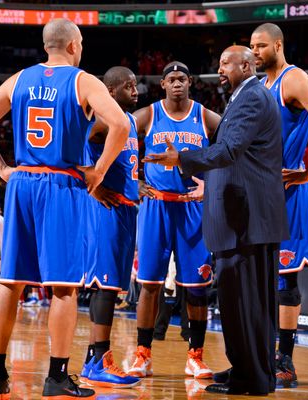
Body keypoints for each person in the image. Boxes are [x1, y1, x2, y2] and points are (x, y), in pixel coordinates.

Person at [0, 18, 130, 399]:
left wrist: (2, 168)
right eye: (82, 42)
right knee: (64, 288)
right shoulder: (82, 80)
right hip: (61, 183)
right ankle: (56, 376)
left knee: (10, 282)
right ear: (73, 45)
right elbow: (120, 124)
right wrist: (99, 171)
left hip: (22, 182)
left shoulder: (19, 79)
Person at [144, 46, 288, 395]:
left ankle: (249, 378)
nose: (219, 69)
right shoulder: (248, 96)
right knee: (252, 303)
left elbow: (228, 151)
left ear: (246, 66)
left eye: (226, 63)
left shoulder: (251, 97)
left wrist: (182, 158)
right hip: (250, 217)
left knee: (244, 302)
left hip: (245, 219)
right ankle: (254, 369)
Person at [250, 23, 308, 388]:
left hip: (288, 193)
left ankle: (285, 360)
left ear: (278, 44)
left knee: (286, 280)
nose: (255, 52)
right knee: (260, 280)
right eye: (251, 47)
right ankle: (260, 354)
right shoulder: (261, 86)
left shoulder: (294, 79)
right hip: (259, 193)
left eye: (260, 46)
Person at [127, 61, 220, 380]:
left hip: (192, 209)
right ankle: (143, 354)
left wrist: (212, 184)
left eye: (182, 78)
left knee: (197, 288)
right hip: (156, 207)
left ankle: (195, 356)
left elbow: (232, 148)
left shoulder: (205, 116)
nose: (177, 83)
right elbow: (114, 138)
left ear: (190, 82)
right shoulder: (148, 115)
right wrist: (132, 180)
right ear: (162, 84)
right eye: (171, 79)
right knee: (149, 285)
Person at [79, 66, 140, 388]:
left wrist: (135, 184)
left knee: (113, 286)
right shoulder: (104, 120)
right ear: (110, 90)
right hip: (106, 210)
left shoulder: (126, 121)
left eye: (136, 84)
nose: (136, 89)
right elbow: (74, 144)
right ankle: (100, 358)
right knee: (104, 285)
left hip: (125, 209)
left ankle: (94, 360)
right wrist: (94, 184)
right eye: (128, 86)